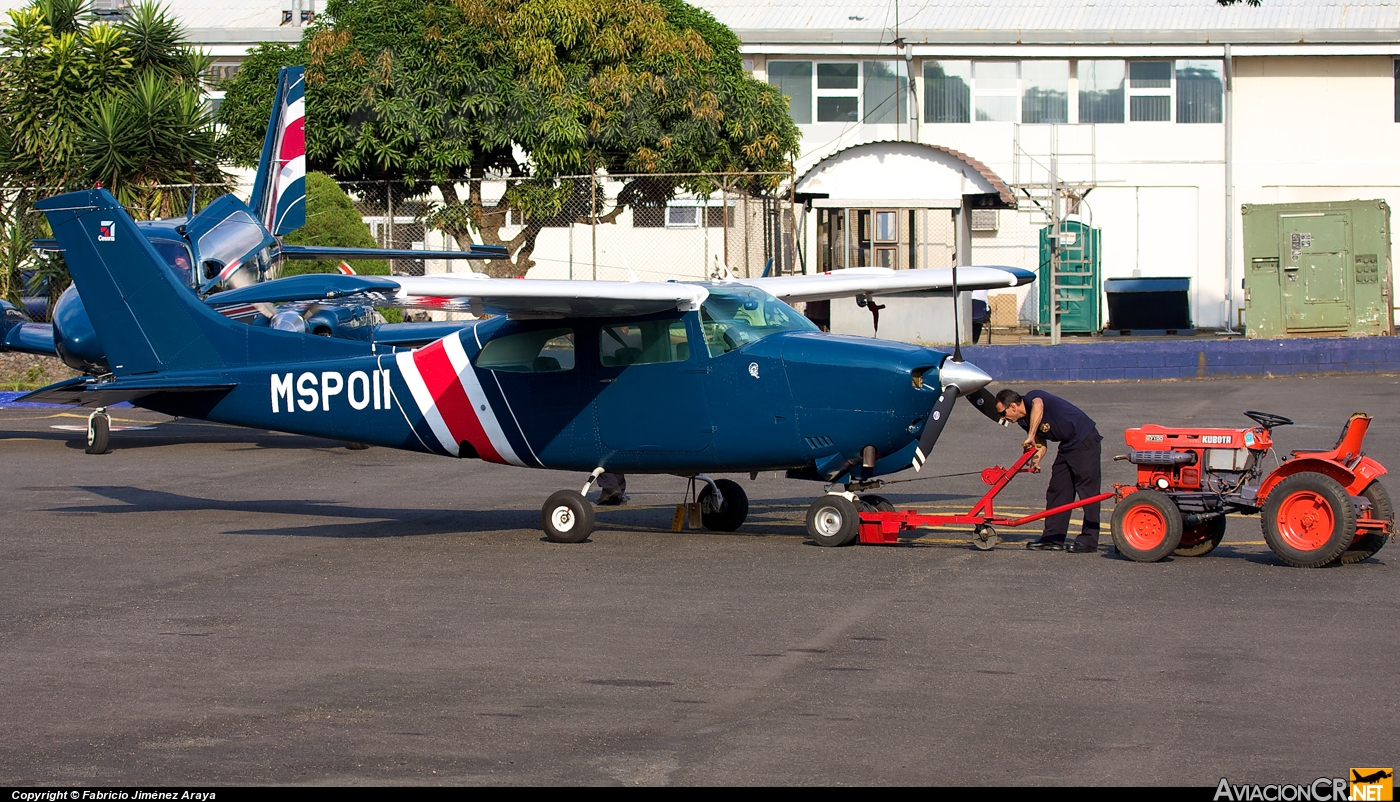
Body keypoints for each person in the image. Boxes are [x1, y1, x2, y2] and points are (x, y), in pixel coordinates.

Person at [994, 388, 1103, 553]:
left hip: (1084, 440)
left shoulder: (1032, 399)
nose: (1003, 418)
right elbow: (1040, 444)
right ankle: (1053, 538)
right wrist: (1036, 461)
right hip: (1068, 445)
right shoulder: (1024, 421)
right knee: (1058, 489)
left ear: (1014, 407)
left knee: (1088, 492)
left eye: (1003, 413)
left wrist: (1030, 435)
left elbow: (1039, 405)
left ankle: (1089, 540)